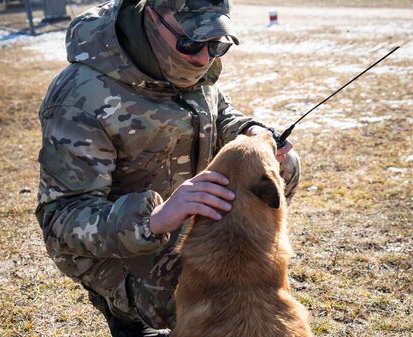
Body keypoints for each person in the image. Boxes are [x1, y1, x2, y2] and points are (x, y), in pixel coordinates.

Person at [34, 0, 300, 336]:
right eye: (191, 42)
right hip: (123, 250)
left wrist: (250, 132)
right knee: (209, 299)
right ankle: (132, 321)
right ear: (152, 16)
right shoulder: (80, 97)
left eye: (216, 45)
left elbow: (218, 116)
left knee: (284, 166)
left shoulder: (189, 64)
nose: (204, 57)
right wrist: (156, 219)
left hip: (191, 227)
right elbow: (61, 219)